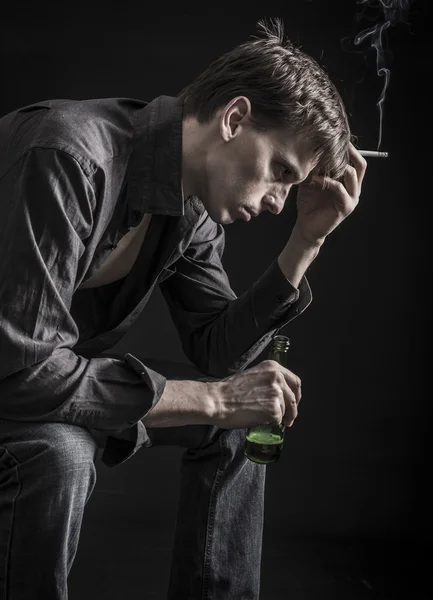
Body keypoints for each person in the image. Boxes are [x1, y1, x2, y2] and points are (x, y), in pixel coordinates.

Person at [0, 17, 366, 600]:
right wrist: (214, 399)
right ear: (235, 118)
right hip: (15, 389)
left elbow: (217, 351)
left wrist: (307, 243)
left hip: (37, 391)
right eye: (279, 173)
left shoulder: (189, 210)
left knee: (236, 422)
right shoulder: (70, 154)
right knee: (60, 451)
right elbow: (21, 373)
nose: (278, 202)